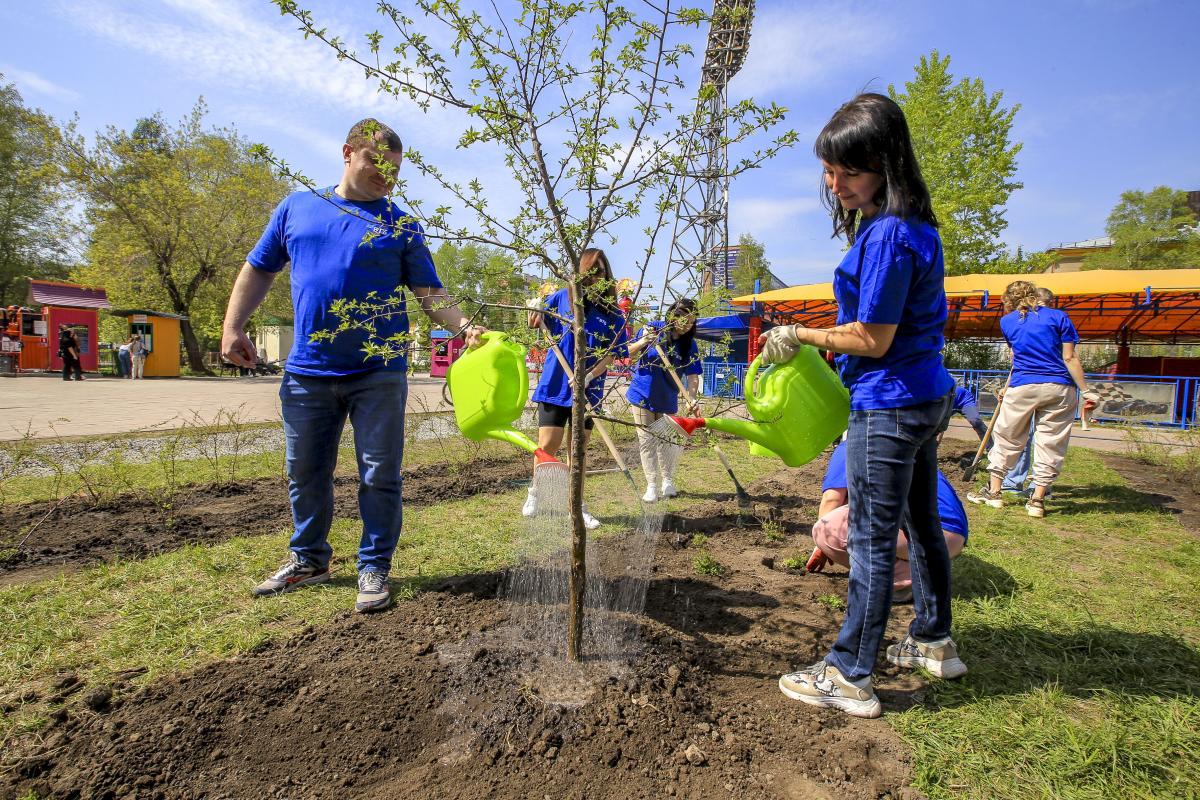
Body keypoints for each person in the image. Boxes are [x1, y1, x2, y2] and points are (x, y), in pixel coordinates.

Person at [222, 118, 484, 614]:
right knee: (304, 470)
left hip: (378, 372)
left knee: (379, 473)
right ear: (348, 152)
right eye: (376, 164)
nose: (385, 177)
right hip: (308, 371)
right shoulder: (297, 208)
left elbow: (429, 293)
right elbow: (259, 267)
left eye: (394, 171)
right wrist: (233, 326)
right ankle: (309, 559)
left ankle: (374, 565)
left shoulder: (401, 225)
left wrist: (464, 326)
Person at [757, 93, 964, 718]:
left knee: (873, 539)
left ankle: (850, 674)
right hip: (926, 393)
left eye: (850, 169)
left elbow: (872, 338)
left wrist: (800, 333)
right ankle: (932, 641)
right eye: (829, 169)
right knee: (923, 525)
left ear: (886, 162)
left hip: (890, 402)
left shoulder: (889, 234)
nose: (835, 182)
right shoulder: (914, 227)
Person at [524, 249, 629, 528]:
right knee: (548, 445)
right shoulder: (563, 298)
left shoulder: (612, 312)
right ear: (582, 272)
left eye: (603, 272)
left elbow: (614, 352)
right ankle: (536, 492)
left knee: (578, 451)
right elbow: (535, 322)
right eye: (593, 271)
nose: (599, 277)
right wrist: (534, 310)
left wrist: (590, 375)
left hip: (589, 391)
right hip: (555, 383)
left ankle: (577, 506)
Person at [968, 281, 1090, 518]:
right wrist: (1086, 390)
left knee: (1006, 438)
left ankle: (994, 493)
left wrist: (1007, 386)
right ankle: (1037, 500)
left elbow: (1016, 357)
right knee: (1051, 442)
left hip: (1023, 386)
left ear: (1009, 300)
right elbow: (1070, 357)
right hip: (1060, 387)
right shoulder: (1058, 317)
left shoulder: (1008, 321)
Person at [807, 442, 968, 604]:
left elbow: (832, 499)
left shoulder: (853, 445)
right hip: (951, 536)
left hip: (930, 534)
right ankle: (921, 565)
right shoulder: (901, 444)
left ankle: (905, 579)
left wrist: (821, 547)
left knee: (826, 529)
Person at [625, 298, 702, 502]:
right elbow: (627, 354)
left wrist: (691, 397)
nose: (687, 325)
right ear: (672, 316)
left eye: (691, 321)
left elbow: (693, 376)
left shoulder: (689, 345)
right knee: (647, 440)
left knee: (666, 441)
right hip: (642, 395)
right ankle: (651, 485)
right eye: (683, 319)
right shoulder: (653, 329)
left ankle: (667, 481)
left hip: (668, 398)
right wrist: (643, 341)